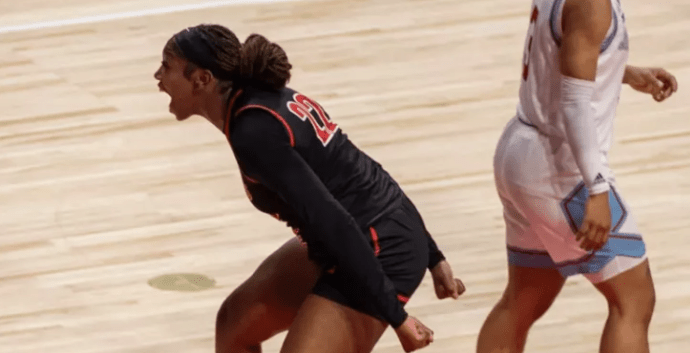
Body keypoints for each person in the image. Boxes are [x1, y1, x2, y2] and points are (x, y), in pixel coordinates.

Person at [153, 24, 466, 353]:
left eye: (166, 66)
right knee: (235, 323)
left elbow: (333, 220)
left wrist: (398, 317)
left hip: (380, 247)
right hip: (355, 235)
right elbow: (360, 171)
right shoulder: (257, 104)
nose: (158, 77)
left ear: (202, 79)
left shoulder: (254, 131)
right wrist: (432, 253)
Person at [477, 0, 678, 352]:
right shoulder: (593, 3)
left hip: (520, 151)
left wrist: (622, 72)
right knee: (632, 301)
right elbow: (574, 104)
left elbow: (564, 51)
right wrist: (597, 188)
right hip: (562, 169)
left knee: (523, 299)